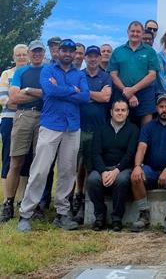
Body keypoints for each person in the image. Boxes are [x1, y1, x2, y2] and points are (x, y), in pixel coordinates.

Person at [17, 39, 90, 232]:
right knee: (40, 170)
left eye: (70, 51)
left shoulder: (78, 74)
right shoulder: (48, 70)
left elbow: (85, 96)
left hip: (72, 127)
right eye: (64, 50)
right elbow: (49, 90)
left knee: (67, 172)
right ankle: (26, 214)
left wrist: (62, 90)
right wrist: (71, 90)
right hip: (51, 125)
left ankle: (62, 213)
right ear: (58, 52)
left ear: (75, 54)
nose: (67, 53)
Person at [130, 94, 166, 233]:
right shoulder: (148, 127)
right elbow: (141, 148)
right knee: (135, 175)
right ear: (156, 108)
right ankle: (144, 214)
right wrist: (137, 166)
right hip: (151, 169)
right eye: (161, 107)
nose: (164, 110)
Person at [0, 42, 42, 222]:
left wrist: (27, 91)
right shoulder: (17, 73)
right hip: (20, 116)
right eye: (33, 51)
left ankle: (30, 203)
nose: (35, 54)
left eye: (39, 51)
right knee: (15, 161)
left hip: (42, 117)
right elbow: (12, 98)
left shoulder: (47, 70)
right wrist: (36, 93)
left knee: (36, 164)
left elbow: (50, 93)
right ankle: (8, 203)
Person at [72, 45, 112, 225]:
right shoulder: (78, 75)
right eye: (90, 56)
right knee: (76, 166)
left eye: (96, 56)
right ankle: (76, 198)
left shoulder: (106, 76)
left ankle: (87, 202)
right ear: (85, 58)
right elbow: (75, 96)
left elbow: (105, 98)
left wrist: (85, 94)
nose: (93, 59)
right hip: (79, 127)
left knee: (91, 167)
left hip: (99, 129)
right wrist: (89, 95)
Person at [87, 99, 139, 231]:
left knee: (121, 180)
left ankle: (117, 218)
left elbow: (130, 154)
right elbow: (96, 153)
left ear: (127, 113)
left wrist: (116, 170)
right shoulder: (101, 129)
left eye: (123, 110)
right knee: (93, 180)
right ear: (111, 112)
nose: (120, 113)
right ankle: (100, 216)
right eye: (117, 110)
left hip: (123, 168)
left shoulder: (133, 130)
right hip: (103, 167)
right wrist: (103, 171)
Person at [109, 21, 159, 126]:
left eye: (138, 32)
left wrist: (132, 90)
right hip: (122, 91)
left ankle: (144, 143)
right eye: (132, 31)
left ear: (142, 33)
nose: (135, 34)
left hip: (145, 92)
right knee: (120, 122)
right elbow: (113, 75)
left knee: (147, 126)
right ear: (128, 32)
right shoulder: (118, 51)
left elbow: (152, 75)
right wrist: (126, 91)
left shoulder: (150, 51)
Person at [0, 44, 29, 203]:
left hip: (29, 121)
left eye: (24, 54)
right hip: (9, 120)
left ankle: (21, 199)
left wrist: (17, 98)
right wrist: (26, 100)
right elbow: (4, 99)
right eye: (18, 55)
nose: (21, 57)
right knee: (9, 159)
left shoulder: (32, 73)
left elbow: (39, 99)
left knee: (26, 159)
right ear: (13, 57)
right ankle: (7, 199)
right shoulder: (6, 74)